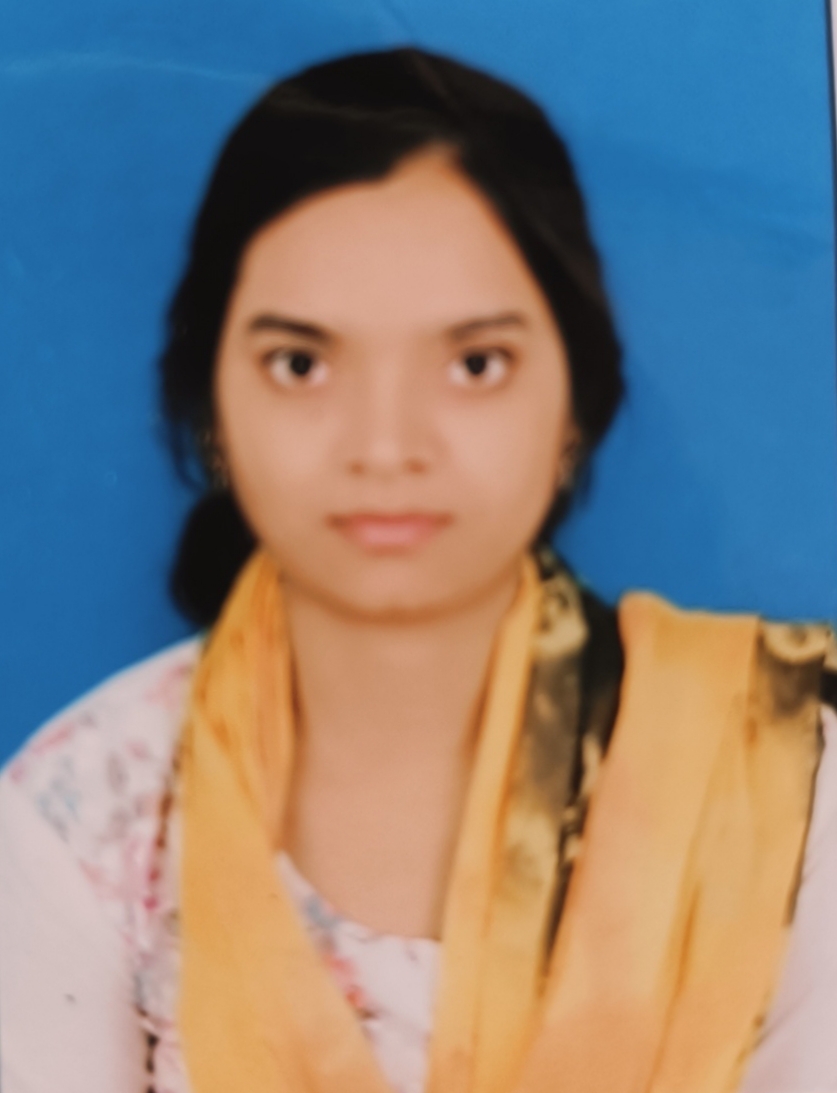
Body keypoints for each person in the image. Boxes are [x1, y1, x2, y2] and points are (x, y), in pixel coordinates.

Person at [1, 46, 836, 1093]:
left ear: (574, 409)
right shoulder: (82, 816)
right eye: (301, 364)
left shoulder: (782, 767)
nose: (386, 444)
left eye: (474, 364)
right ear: (211, 409)